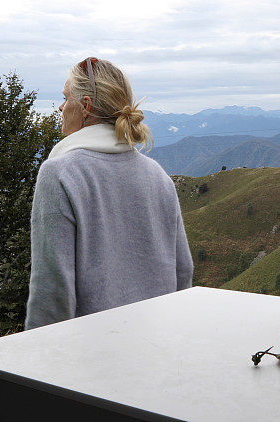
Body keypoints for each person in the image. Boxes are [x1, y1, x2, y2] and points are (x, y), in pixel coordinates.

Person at [25, 57, 193, 329]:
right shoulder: (158, 176)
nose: (60, 106)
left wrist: (37, 359)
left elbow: (53, 289)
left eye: (66, 98)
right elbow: (183, 272)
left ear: (85, 107)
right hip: (157, 346)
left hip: (94, 355)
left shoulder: (60, 173)